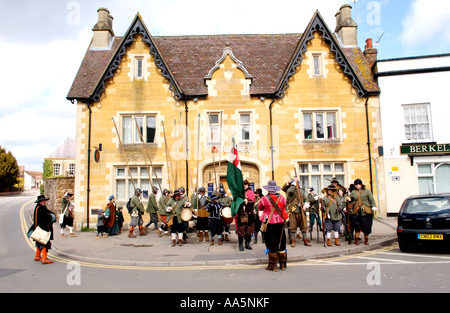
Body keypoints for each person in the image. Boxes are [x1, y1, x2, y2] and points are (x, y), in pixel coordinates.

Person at [259, 180, 288, 271]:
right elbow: (284, 206)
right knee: (281, 241)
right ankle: (283, 264)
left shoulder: (264, 199)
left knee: (271, 242)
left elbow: (260, 207)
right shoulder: (282, 198)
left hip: (269, 222)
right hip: (280, 221)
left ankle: (273, 265)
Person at [282, 177, 311, 247]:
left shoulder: (301, 191)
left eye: (297, 183)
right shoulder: (290, 191)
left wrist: (306, 205)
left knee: (304, 226)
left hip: (301, 211)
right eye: (296, 183)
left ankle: (305, 240)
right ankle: (293, 241)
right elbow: (286, 190)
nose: (297, 184)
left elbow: (306, 199)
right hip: (293, 211)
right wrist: (291, 183)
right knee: (292, 226)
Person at [348, 179, 377, 245]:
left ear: (361, 184)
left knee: (366, 227)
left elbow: (371, 200)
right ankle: (356, 240)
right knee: (357, 227)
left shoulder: (367, 191)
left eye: (359, 184)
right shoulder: (353, 192)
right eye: (356, 184)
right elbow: (351, 201)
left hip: (365, 212)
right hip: (356, 211)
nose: (357, 186)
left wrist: (374, 207)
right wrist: (348, 201)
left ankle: (366, 240)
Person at [31, 195, 55, 264]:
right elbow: (46, 218)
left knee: (39, 242)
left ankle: (37, 256)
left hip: (38, 228)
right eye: (44, 201)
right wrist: (51, 217)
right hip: (43, 228)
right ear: (40, 202)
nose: (45, 202)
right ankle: (44, 258)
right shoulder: (42, 209)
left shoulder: (37, 207)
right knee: (45, 243)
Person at [236, 180, 255, 251]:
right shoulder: (239, 192)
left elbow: (252, 201)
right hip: (241, 214)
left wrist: (246, 201)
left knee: (249, 230)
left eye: (246, 185)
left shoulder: (251, 192)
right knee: (241, 230)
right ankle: (240, 244)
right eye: (243, 185)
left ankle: (247, 244)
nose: (244, 186)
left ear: (248, 185)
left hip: (249, 213)